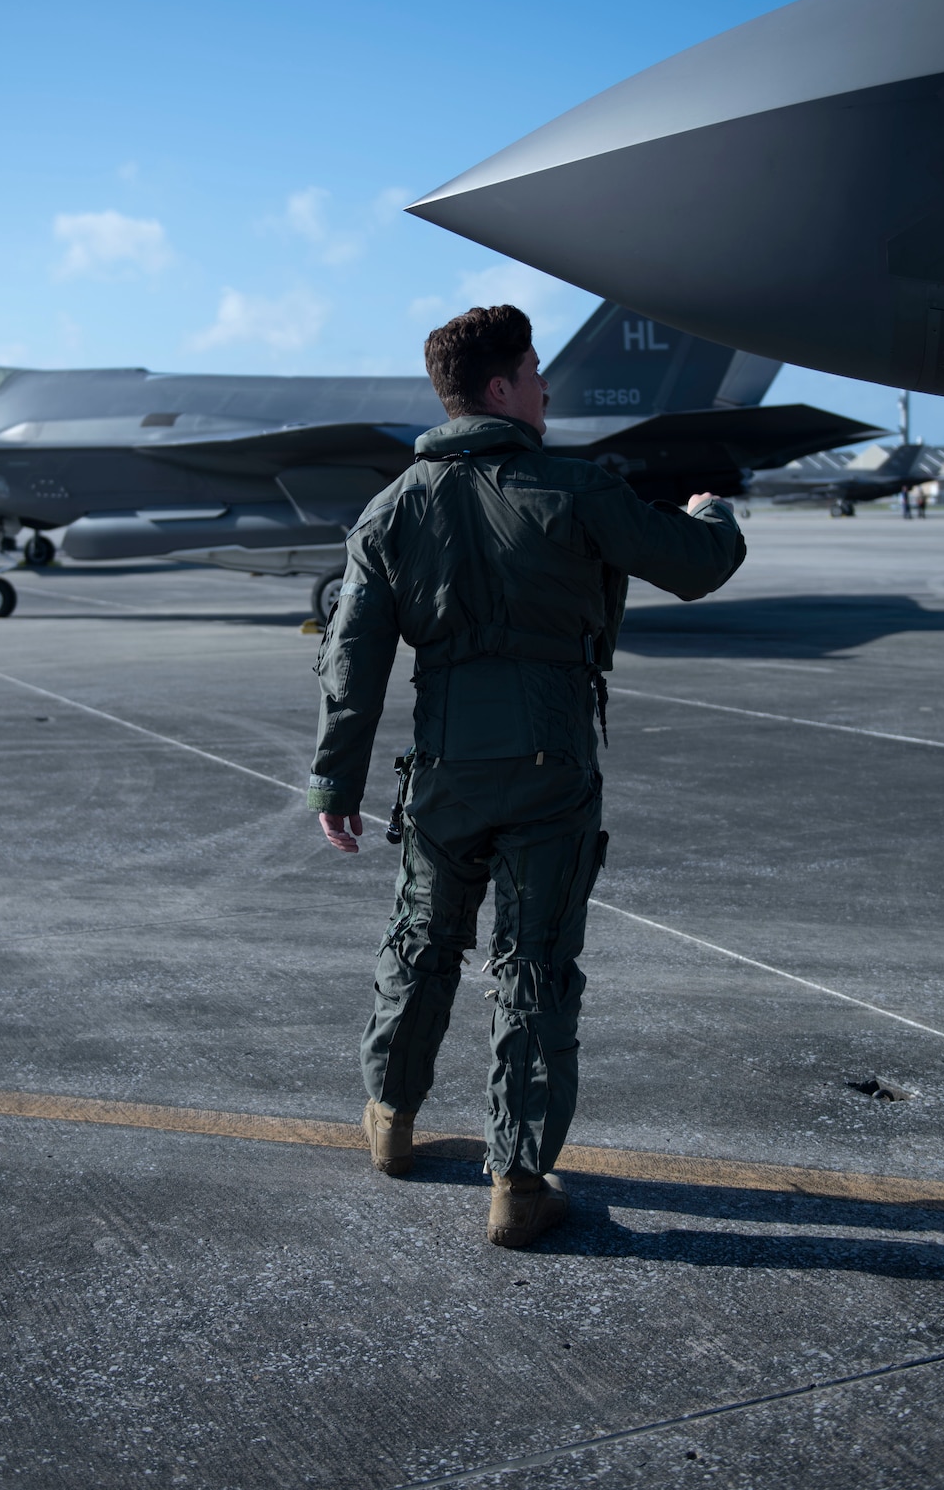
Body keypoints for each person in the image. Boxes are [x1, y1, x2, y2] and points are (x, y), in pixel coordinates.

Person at [308, 305, 746, 1249]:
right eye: (537, 372)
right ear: (502, 388)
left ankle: (389, 1121)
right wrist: (715, 514)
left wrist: (333, 787)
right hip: (551, 766)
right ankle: (517, 1180)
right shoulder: (577, 487)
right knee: (535, 967)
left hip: (443, 771)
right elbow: (697, 565)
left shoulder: (390, 508)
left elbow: (352, 662)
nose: (548, 388)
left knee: (423, 941)